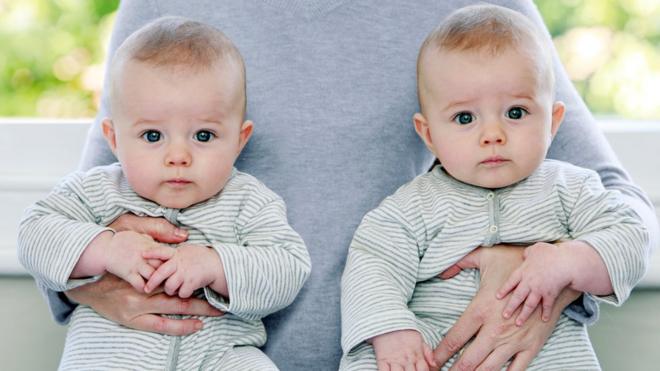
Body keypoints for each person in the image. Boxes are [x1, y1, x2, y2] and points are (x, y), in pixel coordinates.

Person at [36, 1, 658, 370]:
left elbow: (620, 204)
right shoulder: (159, 7)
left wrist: (541, 274)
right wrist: (98, 275)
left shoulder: (484, 12)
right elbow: (92, 197)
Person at [339, 5, 649, 370]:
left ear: (553, 121)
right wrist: (391, 331)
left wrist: (569, 261)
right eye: (465, 118)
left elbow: (631, 233)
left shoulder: (572, 188)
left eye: (516, 113)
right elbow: (372, 265)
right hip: (432, 356)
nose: (493, 135)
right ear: (429, 135)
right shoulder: (411, 208)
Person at [18, 16, 310, 370]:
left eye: (203, 136)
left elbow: (288, 268)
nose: (178, 157)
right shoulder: (96, 191)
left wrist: (215, 264)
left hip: (217, 357)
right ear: (114, 139)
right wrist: (106, 248)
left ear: (239, 139)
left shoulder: (249, 201)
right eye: (153, 136)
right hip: (112, 357)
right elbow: (33, 234)